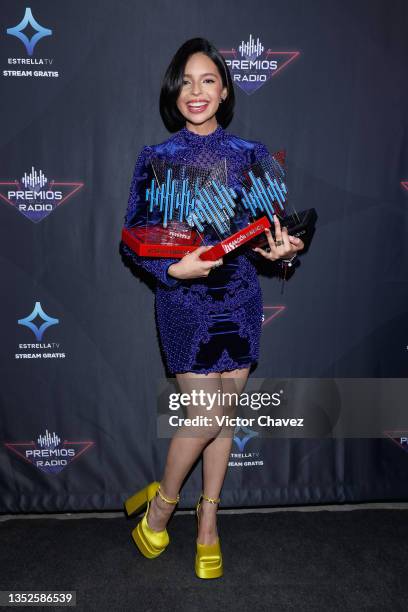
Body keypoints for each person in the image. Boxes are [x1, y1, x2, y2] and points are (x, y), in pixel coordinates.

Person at [121, 37, 304, 579]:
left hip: (240, 299)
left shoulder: (253, 156)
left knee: (223, 417)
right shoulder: (155, 160)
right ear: (174, 92)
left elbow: (274, 234)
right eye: (186, 82)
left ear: (225, 91)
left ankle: (208, 523)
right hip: (183, 301)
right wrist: (172, 270)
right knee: (207, 415)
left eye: (207, 81)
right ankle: (162, 506)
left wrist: (284, 251)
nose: (195, 91)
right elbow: (131, 238)